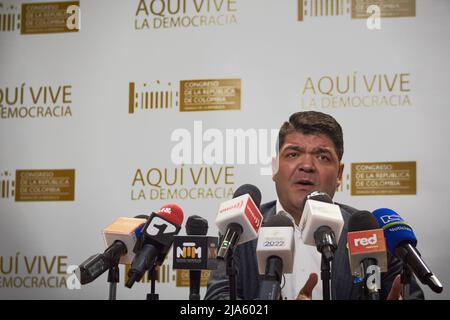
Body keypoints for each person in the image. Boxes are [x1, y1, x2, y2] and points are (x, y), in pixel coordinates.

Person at [205, 111, 424, 300]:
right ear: (275, 168)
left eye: (322, 156)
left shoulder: (368, 231)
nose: (307, 166)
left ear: (339, 174)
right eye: (293, 154)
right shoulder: (241, 229)